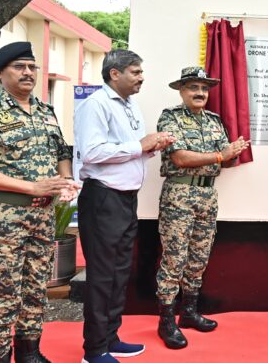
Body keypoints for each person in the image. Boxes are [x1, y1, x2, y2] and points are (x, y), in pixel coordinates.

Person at [0, 42, 79, 363]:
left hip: (42, 216)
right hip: (3, 217)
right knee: (4, 295)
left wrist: (65, 181)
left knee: (36, 288)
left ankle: (30, 353)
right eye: (19, 66)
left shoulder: (46, 111)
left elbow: (61, 153)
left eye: (32, 66)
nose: (28, 72)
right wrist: (32, 185)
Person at [74, 50, 175, 363]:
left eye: (141, 71)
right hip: (103, 198)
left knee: (119, 274)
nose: (141, 77)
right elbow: (91, 152)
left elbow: (126, 151)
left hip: (124, 198)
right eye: (135, 71)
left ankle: (110, 337)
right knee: (103, 276)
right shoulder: (96, 105)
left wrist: (151, 148)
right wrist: (139, 145)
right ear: (114, 74)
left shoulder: (130, 105)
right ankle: (94, 351)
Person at [155, 67, 249, 349]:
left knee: (199, 256)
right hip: (179, 194)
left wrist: (233, 154)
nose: (200, 93)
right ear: (182, 91)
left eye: (204, 89)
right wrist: (222, 154)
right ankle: (166, 321)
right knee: (174, 259)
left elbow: (226, 160)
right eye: (193, 88)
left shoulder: (214, 120)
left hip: (208, 194)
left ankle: (190, 312)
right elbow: (181, 158)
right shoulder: (170, 117)